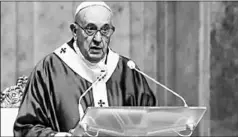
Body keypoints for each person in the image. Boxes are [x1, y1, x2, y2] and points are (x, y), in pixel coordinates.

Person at [13, 1, 156, 136]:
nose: (98, 39)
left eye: (105, 30)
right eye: (90, 29)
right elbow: (26, 128)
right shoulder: (49, 69)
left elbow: (150, 124)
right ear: (75, 31)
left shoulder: (128, 70)